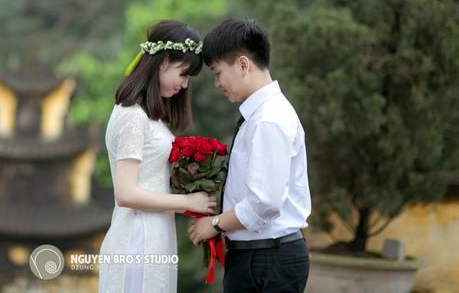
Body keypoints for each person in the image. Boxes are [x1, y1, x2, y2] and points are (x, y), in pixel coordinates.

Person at [188, 18, 311, 293]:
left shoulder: (268, 119)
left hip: (268, 259)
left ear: (243, 65)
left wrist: (215, 224)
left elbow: (264, 202)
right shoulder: (259, 115)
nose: (217, 83)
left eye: (218, 72)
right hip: (259, 257)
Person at [98, 20, 216, 293]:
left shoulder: (149, 117)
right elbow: (125, 193)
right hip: (137, 237)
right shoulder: (132, 116)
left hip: (155, 233)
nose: (185, 85)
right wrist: (186, 202)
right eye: (183, 74)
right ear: (163, 62)